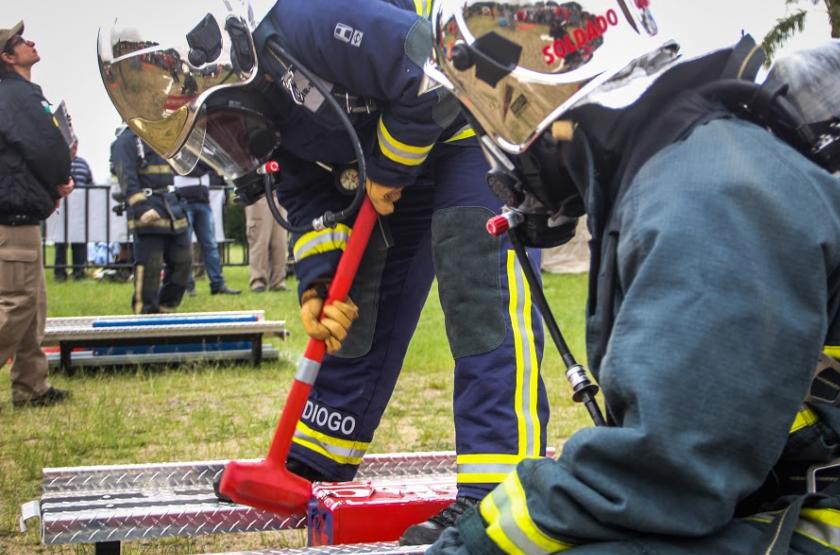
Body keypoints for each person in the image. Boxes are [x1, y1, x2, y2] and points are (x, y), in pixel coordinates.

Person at [422, 2, 840, 553]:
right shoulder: (683, 168)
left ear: (521, 98)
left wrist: (472, 545)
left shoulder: (709, 196)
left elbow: (669, 471)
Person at [97, 0, 550, 544]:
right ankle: (317, 458)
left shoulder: (306, 21)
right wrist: (317, 285)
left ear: (217, 69)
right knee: (353, 301)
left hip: (472, 122)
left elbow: (426, 65)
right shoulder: (267, 108)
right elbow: (309, 202)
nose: (227, 143)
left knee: (482, 299)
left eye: (217, 125)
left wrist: (389, 167)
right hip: (399, 154)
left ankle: (495, 493)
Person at [0, 20, 72, 407]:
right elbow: (45, 148)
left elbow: (26, 154)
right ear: (7, 57)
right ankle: (30, 386)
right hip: (12, 218)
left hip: (20, 215)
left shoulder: (16, 95)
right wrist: (62, 176)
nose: (31, 42)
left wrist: (51, 185)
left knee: (32, 306)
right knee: (17, 304)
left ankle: (31, 385)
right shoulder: (16, 95)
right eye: (20, 42)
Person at [110, 127, 191, 314]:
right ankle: (145, 315)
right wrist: (141, 208)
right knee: (150, 268)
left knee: (183, 262)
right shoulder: (125, 141)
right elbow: (126, 178)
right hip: (148, 210)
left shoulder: (160, 135)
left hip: (173, 208)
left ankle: (166, 309)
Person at [174, 167, 241, 296]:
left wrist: (202, 168)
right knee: (186, 245)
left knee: (209, 245)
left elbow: (205, 166)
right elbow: (186, 168)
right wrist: (203, 169)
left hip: (202, 200)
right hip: (184, 200)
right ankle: (188, 285)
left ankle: (216, 284)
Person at [54, 139, 93, 282]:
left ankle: (79, 272)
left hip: (80, 212)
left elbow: (91, 185)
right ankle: (59, 274)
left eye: (76, 146)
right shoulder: (57, 163)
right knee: (61, 244)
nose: (74, 148)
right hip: (62, 211)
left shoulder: (83, 164)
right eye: (72, 145)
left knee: (79, 243)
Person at [244, 193, 288, 293]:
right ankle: (258, 281)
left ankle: (278, 281)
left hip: (279, 196)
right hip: (258, 196)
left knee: (280, 243)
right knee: (260, 242)